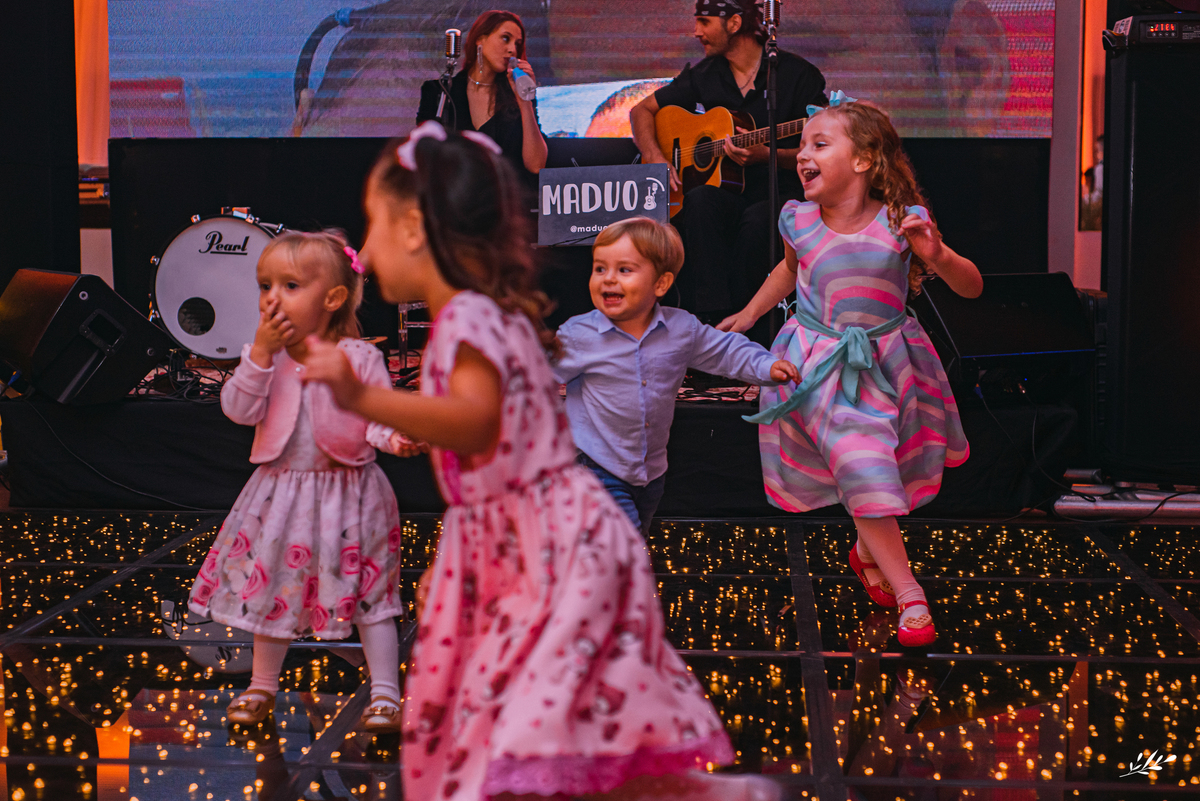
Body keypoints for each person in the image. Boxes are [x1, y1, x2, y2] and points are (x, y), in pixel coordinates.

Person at [301, 121, 780, 801]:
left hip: (541, 537)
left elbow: (475, 419)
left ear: (414, 229)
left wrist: (362, 397)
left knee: (532, 715)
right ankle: (676, 790)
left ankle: (686, 792)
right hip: (541, 530)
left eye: (373, 226)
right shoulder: (489, 315)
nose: (366, 253)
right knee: (555, 715)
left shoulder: (466, 319)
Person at [718, 96, 981, 648]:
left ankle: (867, 550)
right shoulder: (797, 220)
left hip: (888, 364)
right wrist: (749, 314)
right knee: (861, 463)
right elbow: (788, 271)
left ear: (863, 160)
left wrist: (937, 254)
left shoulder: (900, 221)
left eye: (819, 144)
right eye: (802, 146)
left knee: (879, 468)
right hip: (819, 366)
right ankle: (911, 594)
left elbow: (971, 287)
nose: (802, 155)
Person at [188, 230, 412, 733]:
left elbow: (376, 418)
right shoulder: (264, 357)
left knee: (370, 595)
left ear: (332, 298)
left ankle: (385, 693)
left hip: (352, 496)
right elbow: (238, 410)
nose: (272, 297)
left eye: (289, 286)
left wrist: (396, 438)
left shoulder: (361, 358)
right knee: (274, 588)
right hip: (282, 496)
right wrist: (259, 357)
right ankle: (261, 685)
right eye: (265, 285)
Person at [554, 216, 799, 536]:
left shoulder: (680, 329)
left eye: (624, 270)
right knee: (625, 549)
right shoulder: (580, 335)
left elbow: (725, 351)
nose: (608, 279)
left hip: (651, 475)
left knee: (626, 543)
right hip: (595, 468)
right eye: (600, 269)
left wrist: (767, 366)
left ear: (661, 284)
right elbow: (536, 375)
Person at [629, 0, 827, 333]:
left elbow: (824, 147)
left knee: (756, 223)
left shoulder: (797, 75)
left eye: (704, 22)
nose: (696, 32)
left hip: (782, 191)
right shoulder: (706, 74)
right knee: (699, 202)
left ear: (734, 23)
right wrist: (655, 156)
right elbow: (640, 111)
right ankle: (711, 323)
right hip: (730, 193)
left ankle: (748, 325)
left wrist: (769, 155)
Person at [416, 9, 548, 192]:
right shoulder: (440, 92)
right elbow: (424, 155)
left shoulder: (516, 98)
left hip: (506, 199)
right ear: (480, 39)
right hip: (457, 199)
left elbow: (536, 165)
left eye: (517, 44)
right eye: (505, 38)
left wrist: (525, 101)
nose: (512, 49)